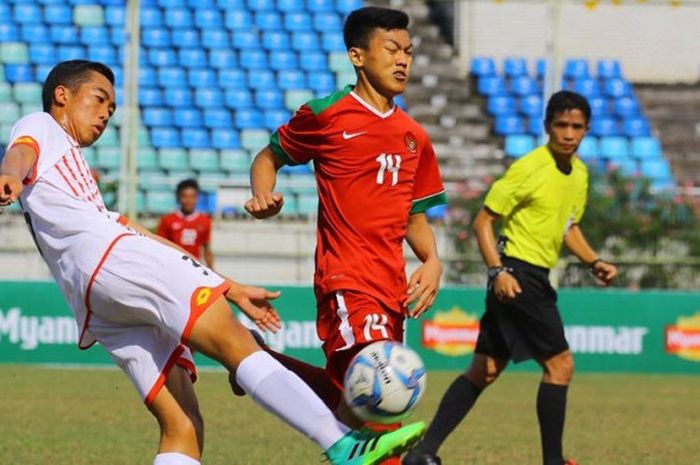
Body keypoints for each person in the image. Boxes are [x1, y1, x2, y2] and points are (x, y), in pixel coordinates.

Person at [0, 60, 426, 465]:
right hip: (113, 260)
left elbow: (138, 234)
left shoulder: (73, 181)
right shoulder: (42, 126)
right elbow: (23, 150)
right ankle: (341, 444)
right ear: (61, 95)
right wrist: (12, 175)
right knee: (237, 345)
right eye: (98, 99)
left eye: (112, 108)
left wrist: (229, 285)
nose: (106, 113)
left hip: (98, 299)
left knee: (183, 425)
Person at [244, 7, 446, 463]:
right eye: (392, 49)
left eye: (409, 52)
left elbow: (413, 216)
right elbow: (267, 156)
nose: (403, 61)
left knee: (348, 400)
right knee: (383, 403)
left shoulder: (414, 137)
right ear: (357, 55)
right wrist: (262, 196)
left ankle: (256, 361)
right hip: (346, 279)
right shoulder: (326, 115)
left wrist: (432, 260)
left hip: (391, 287)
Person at [402, 91, 618, 465]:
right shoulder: (529, 168)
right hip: (517, 275)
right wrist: (497, 270)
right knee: (561, 365)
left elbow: (569, 227)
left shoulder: (579, 174)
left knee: (484, 369)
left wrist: (593, 260)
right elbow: (483, 221)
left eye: (576, 126)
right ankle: (553, 461)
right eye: (561, 125)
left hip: (528, 275)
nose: (568, 133)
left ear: (586, 130)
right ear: (548, 126)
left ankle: (421, 454)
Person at [157, 179, 214, 268]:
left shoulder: (205, 220)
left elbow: (207, 250)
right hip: (173, 267)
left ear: (197, 198)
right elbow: (159, 248)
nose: (188, 201)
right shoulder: (167, 220)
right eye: (185, 196)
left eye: (192, 197)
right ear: (178, 197)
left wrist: (212, 273)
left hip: (195, 269)